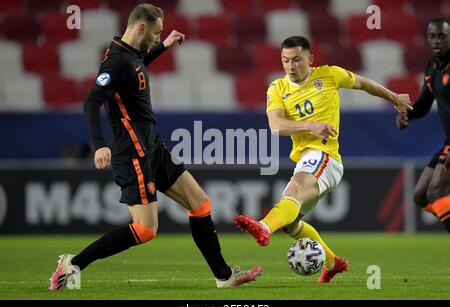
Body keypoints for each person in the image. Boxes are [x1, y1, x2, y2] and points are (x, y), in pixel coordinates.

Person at [49, 3, 262, 291]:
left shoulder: (130, 57)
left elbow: (136, 70)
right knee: (145, 230)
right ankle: (72, 263)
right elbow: (91, 100)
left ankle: (224, 277)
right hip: (133, 153)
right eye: (156, 33)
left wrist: (165, 46)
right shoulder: (115, 61)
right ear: (141, 28)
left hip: (153, 147)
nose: (156, 38)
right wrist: (98, 145)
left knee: (200, 204)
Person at [234, 35, 412, 283]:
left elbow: (363, 83)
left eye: (296, 60)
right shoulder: (277, 88)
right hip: (306, 158)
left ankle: (264, 226)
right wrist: (310, 126)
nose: (291, 66)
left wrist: (394, 98)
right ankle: (333, 262)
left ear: (310, 58)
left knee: (295, 190)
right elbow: (275, 125)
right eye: (285, 61)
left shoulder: (329, 75)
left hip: (325, 156)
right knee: (291, 222)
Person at [396, 17, 450, 232]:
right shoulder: (432, 67)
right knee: (420, 195)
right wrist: (407, 115)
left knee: (436, 192)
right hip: (447, 143)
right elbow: (425, 103)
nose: (437, 41)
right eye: (432, 36)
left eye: (442, 36)